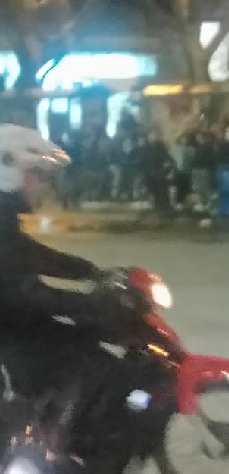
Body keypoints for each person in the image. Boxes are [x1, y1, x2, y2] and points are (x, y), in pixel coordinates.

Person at [0, 124, 115, 447]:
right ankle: (50, 447)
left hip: (13, 322)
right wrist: (89, 304)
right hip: (9, 330)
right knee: (84, 362)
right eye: (36, 175)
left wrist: (89, 272)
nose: (41, 185)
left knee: (85, 345)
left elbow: (30, 254)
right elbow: (20, 292)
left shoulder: (4, 217)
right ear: (9, 171)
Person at [142, 129, 172, 214]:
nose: (153, 137)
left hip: (160, 171)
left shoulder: (161, 146)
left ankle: (164, 207)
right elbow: (143, 159)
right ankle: (157, 207)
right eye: (152, 135)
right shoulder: (146, 147)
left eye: (155, 135)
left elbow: (166, 157)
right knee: (153, 190)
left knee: (162, 190)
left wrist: (166, 168)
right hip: (149, 171)